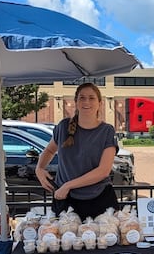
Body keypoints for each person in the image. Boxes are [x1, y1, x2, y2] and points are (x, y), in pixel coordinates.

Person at [35, 82, 119, 220]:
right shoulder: (63, 127)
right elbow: (49, 150)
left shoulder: (107, 131)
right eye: (82, 98)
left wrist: (68, 185)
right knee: (62, 240)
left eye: (91, 98)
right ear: (76, 102)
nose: (87, 102)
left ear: (100, 103)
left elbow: (103, 171)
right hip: (65, 200)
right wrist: (39, 168)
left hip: (99, 199)